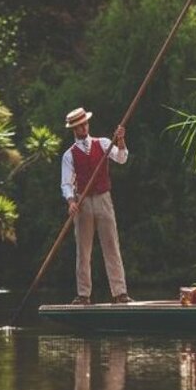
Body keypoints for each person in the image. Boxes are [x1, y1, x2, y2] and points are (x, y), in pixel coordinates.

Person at [61, 107, 133, 305]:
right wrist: (71, 201)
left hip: (103, 199)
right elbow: (66, 183)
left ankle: (120, 293)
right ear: (74, 129)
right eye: (79, 126)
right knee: (83, 251)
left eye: (84, 124)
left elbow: (122, 158)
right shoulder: (69, 155)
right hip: (82, 203)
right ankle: (83, 295)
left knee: (111, 245)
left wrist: (120, 140)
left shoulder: (102, 143)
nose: (83, 128)